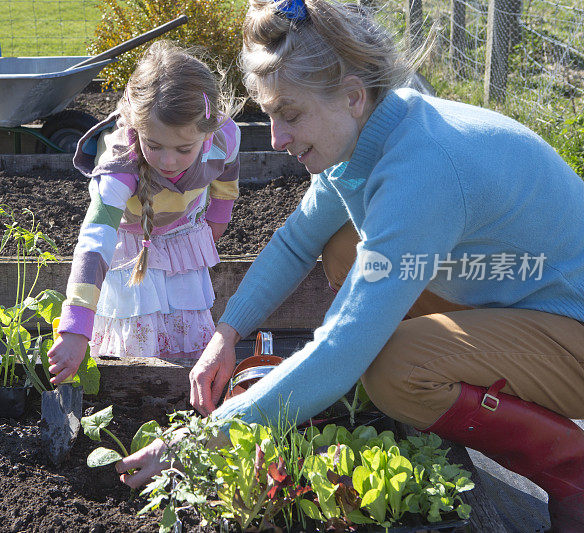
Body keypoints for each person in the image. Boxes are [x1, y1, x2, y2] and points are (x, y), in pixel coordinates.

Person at [116, 0, 584, 530]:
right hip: (515, 295)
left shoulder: (423, 173)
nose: (276, 139)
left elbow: (341, 352)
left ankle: (573, 469)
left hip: (572, 328)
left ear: (353, 96)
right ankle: (433, 394)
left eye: (289, 114)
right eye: (268, 114)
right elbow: (297, 242)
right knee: (341, 243)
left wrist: (198, 441)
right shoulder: (377, 129)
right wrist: (228, 332)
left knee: (394, 369)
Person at [47, 40, 241, 382]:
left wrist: (217, 219)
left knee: (187, 344)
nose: (168, 161)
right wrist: (76, 326)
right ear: (137, 128)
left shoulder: (226, 136)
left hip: (182, 249)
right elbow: (95, 239)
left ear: (207, 131)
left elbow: (227, 174)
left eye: (183, 148)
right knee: (137, 353)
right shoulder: (121, 164)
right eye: (153, 145)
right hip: (133, 256)